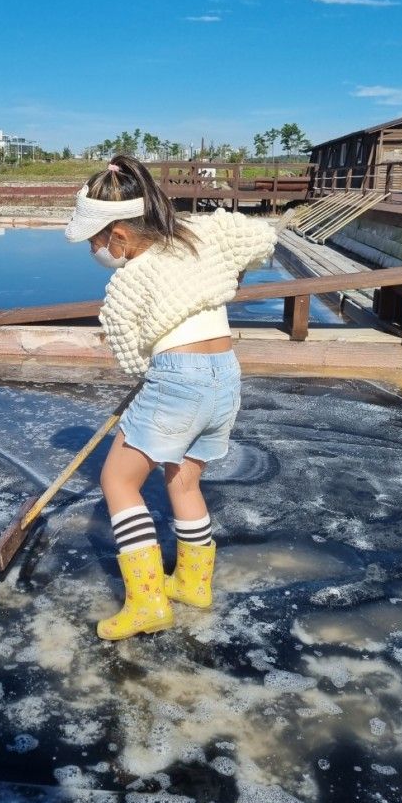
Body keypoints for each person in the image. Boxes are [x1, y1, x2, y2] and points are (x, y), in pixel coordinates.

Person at [64, 154, 277, 641]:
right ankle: (192, 584)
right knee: (183, 483)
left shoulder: (126, 283)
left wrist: (157, 376)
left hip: (177, 378)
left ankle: (147, 602)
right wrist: (230, 279)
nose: (94, 251)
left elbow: (132, 357)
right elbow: (260, 236)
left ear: (118, 236)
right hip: (226, 374)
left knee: (118, 482)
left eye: (94, 242)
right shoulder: (198, 239)